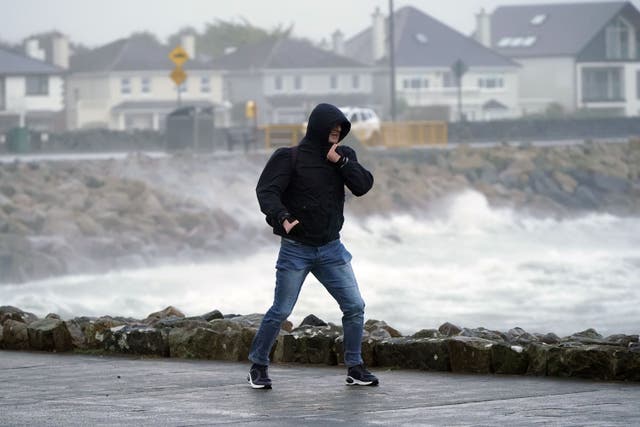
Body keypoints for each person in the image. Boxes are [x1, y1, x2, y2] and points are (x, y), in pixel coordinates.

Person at [247, 103, 378, 389]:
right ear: (318, 126)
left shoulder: (342, 156)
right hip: (296, 249)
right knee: (281, 311)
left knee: (355, 306)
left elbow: (363, 185)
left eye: (341, 128)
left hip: (331, 249)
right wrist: (282, 217)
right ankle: (258, 365)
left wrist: (341, 162)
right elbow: (266, 191)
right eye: (332, 127)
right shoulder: (288, 157)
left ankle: (355, 367)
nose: (337, 132)